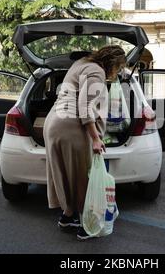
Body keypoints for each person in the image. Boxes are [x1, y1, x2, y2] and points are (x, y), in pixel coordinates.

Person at [43, 45, 126, 241]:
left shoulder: (81, 63)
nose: (119, 72)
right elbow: (85, 106)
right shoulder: (96, 72)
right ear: (112, 64)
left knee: (64, 174)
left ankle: (68, 216)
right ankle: (85, 226)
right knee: (82, 177)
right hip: (72, 127)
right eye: (119, 68)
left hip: (54, 124)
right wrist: (96, 138)